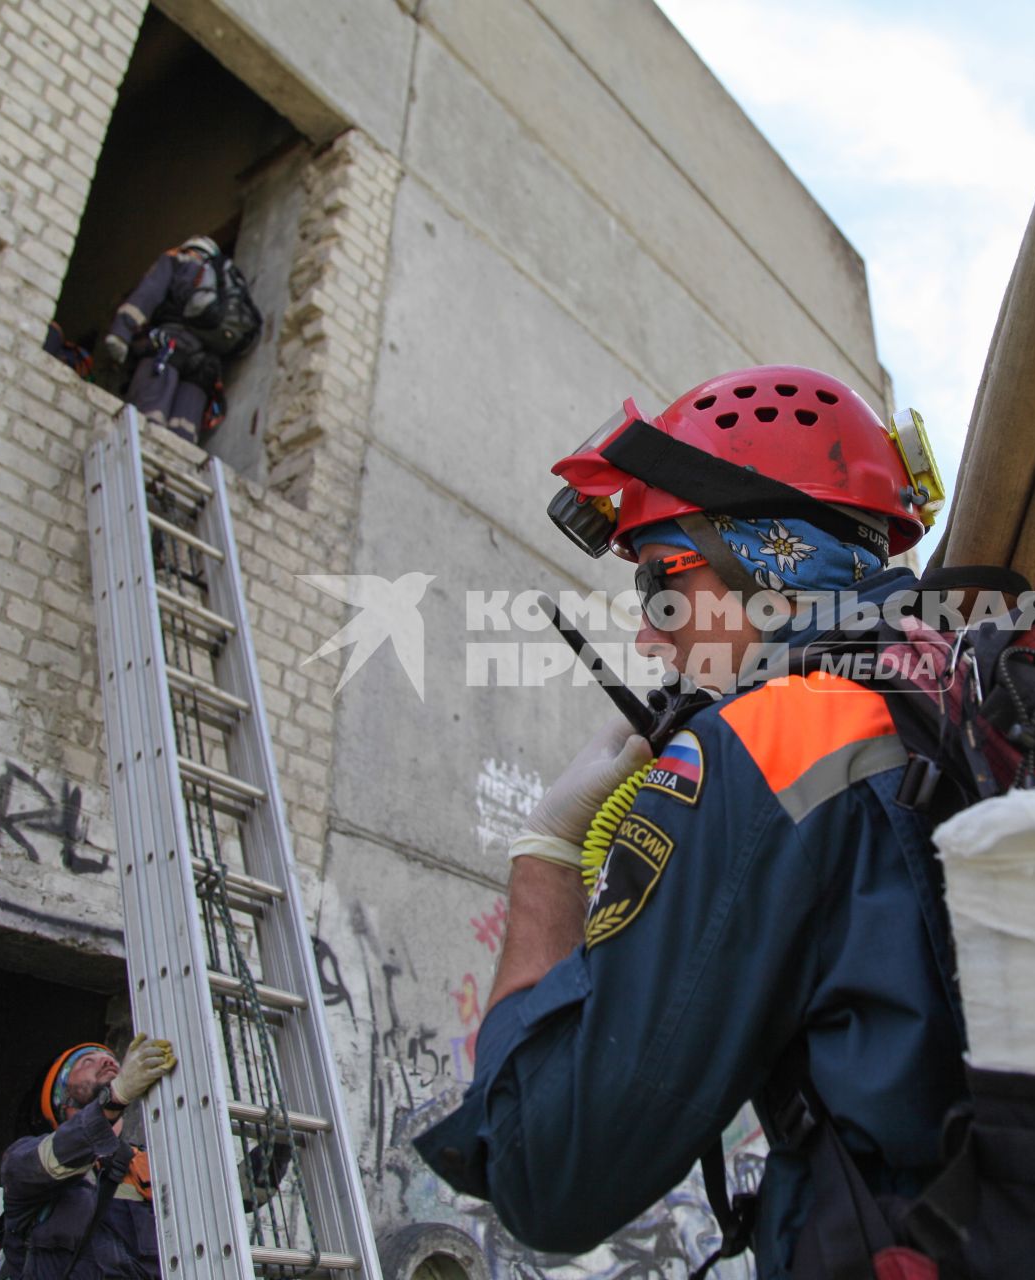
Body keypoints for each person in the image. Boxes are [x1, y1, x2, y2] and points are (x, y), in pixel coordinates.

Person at [414, 366, 958, 1277]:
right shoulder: (972, 676)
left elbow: (542, 1172)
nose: (653, 636)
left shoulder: (786, 734)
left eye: (667, 580)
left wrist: (545, 854)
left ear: (772, 557)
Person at [1, 1036, 177, 1278]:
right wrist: (115, 1097)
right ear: (60, 1099)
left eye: (109, 1058)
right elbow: (60, 1155)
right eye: (86, 1061)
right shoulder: (23, 1161)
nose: (106, 1060)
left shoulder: (144, 1167)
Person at [98, 236, 230, 444]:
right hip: (203, 367)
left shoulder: (177, 259)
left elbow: (149, 293)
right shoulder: (223, 286)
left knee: (148, 420)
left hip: (167, 348)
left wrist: (121, 333)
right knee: (183, 438)